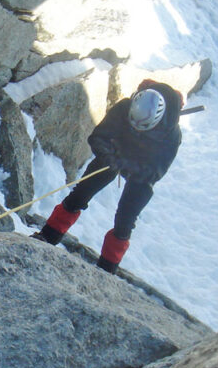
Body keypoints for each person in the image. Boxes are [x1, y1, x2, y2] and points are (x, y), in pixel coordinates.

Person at [33, 79, 183, 273]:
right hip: (113, 154)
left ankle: (105, 270)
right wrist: (109, 156)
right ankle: (47, 236)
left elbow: (155, 172)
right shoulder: (125, 107)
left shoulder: (171, 134)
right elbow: (98, 136)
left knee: (125, 220)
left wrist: (128, 166)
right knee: (80, 194)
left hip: (141, 171)